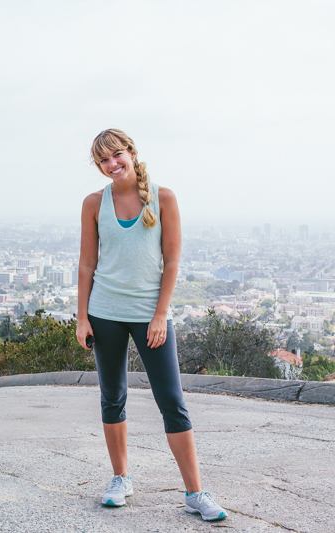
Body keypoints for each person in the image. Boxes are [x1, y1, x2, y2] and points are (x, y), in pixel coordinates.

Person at [75, 129, 227, 522]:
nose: (112, 164)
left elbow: (172, 262)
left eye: (117, 155)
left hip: (150, 315)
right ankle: (120, 478)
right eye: (103, 161)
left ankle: (195, 492)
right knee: (113, 397)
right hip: (104, 313)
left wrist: (160, 314)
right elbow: (87, 264)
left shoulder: (163, 197)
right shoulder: (94, 203)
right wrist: (81, 317)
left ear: (131, 153)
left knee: (172, 402)